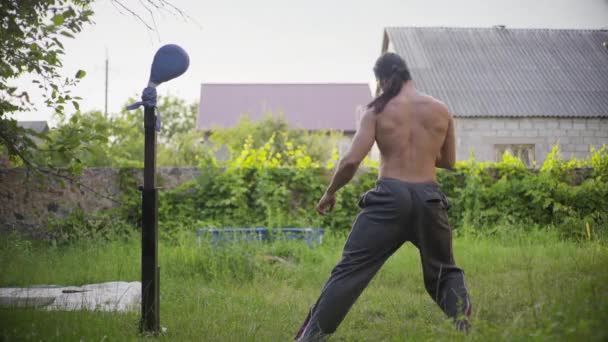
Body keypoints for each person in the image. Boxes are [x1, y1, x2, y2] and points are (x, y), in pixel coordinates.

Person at [295, 52, 472, 341]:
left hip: (389, 200)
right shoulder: (441, 110)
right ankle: (466, 329)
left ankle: (310, 338)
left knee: (349, 273)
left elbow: (351, 161)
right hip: (430, 200)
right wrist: (423, 152)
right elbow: (449, 162)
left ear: (384, 79)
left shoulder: (376, 110)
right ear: (407, 74)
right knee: (444, 271)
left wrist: (330, 192)